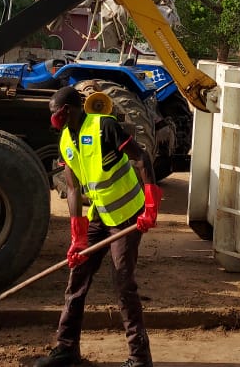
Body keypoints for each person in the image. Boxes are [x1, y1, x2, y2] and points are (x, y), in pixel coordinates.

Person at [34, 86, 160, 367]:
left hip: (127, 214)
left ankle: (139, 358)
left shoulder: (104, 126)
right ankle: (67, 349)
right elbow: (73, 188)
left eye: (54, 112)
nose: (52, 118)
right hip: (100, 215)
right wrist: (77, 237)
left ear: (67, 110)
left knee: (123, 284)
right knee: (77, 276)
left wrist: (151, 206)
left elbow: (142, 158)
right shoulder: (66, 140)